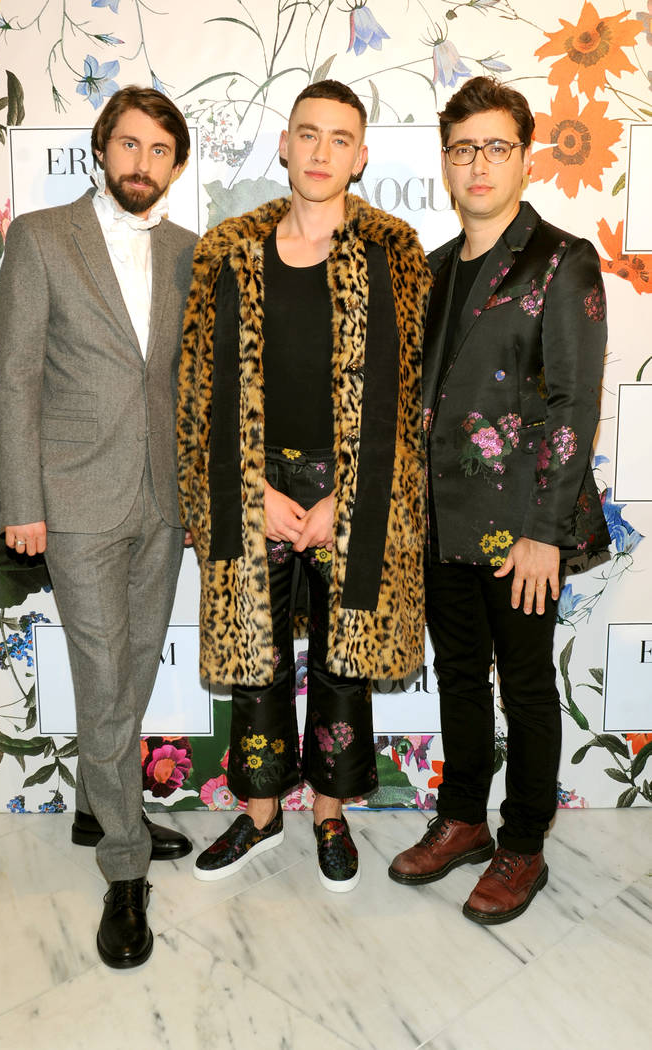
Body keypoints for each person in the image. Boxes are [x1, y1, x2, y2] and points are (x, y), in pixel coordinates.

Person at [177, 79, 431, 891]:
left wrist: (345, 501)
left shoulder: (394, 251)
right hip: (253, 483)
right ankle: (257, 817)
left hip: (349, 486)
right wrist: (245, 489)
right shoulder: (227, 250)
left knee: (341, 656)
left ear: (361, 156)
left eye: (339, 138)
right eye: (308, 134)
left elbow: (407, 395)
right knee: (252, 655)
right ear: (283, 145)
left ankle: (328, 813)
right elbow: (198, 389)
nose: (321, 152)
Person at [389, 76, 610, 924]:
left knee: (523, 685)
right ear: (445, 163)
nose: (477, 163)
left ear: (523, 157)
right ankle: (462, 820)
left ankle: (522, 844)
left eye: (494, 146)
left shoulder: (561, 259)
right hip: (441, 520)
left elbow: (573, 403)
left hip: (522, 528)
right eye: (461, 148)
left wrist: (544, 533)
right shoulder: (433, 270)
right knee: (456, 676)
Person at [0, 86, 198, 967]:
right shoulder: (43, 238)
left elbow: (191, 382)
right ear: (101, 149)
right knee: (105, 670)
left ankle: (94, 805)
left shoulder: (190, 252)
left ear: (174, 165)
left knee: (137, 664)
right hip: (73, 499)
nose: (141, 163)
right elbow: (16, 377)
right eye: (128, 144)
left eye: (159, 150)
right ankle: (124, 863)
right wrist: (21, 501)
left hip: (164, 497)